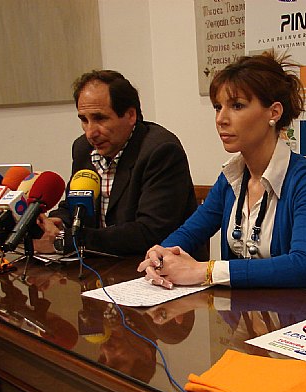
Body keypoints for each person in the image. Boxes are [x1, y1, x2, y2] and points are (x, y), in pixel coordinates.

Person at [137, 50, 306, 289]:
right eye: (218, 107)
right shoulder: (232, 177)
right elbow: (190, 232)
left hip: (288, 309)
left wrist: (205, 271)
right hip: (236, 309)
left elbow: (304, 265)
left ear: (274, 112)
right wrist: (161, 254)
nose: (221, 119)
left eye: (237, 106)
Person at [34, 70, 198, 256]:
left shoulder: (161, 151)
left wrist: (74, 239)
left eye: (100, 118)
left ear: (130, 115)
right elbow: (75, 204)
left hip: (154, 263)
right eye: (84, 120)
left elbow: (150, 232)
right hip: (100, 263)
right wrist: (59, 222)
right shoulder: (83, 148)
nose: (90, 132)